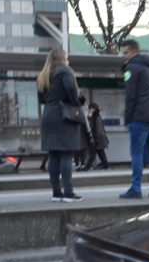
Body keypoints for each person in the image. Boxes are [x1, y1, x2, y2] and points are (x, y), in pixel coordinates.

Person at [37, 46, 87, 202]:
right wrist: (76, 101)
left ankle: (56, 192)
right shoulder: (64, 72)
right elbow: (71, 89)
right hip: (63, 116)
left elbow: (41, 99)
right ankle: (69, 192)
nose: (68, 60)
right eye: (66, 57)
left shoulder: (43, 75)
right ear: (61, 59)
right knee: (66, 154)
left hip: (48, 115)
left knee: (54, 155)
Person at [118, 39, 149, 199]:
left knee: (136, 152)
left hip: (140, 117)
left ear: (134, 52)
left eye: (125, 53)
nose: (123, 56)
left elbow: (130, 96)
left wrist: (127, 118)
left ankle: (136, 188)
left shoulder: (131, 68)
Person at [86, 102, 109, 170]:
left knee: (93, 153)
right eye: (91, 108)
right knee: (100, 152)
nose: (91, 110)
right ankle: (106, 166)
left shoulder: (97, 117)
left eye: (93, 108)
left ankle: (87, 167)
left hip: (98, 138)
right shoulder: (93, 117)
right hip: (96, 138)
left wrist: (96, 138)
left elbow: (99, 129)